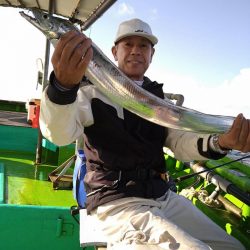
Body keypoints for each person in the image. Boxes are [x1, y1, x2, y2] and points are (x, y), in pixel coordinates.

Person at [40, 18, 249, 249]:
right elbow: (59, 135)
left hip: (162, 196)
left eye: (143, 46)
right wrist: (62, 88)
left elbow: (179, 142)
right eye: (127, 44)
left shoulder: (159, 100)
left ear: (152, 54)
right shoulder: (88, 91)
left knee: (233, 247)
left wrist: (222, 142)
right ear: (114, 51)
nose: (135, 51)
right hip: (116, 202)